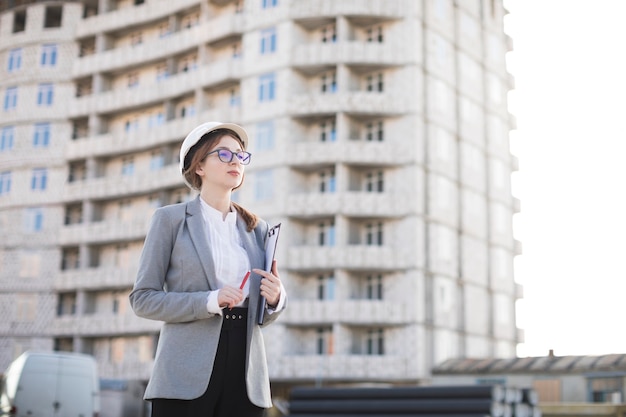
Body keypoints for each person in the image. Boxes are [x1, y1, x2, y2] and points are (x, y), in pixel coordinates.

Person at [129, 121, 286, 417]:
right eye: (224, 154)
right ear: (198, 165)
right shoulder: (170, 220)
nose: (236, 161)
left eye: (241, 155)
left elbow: (263, 314)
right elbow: (143, 299)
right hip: (184, 372)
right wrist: (209, 301)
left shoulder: (258, 230)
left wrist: (277, 298)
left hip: (245, 371)